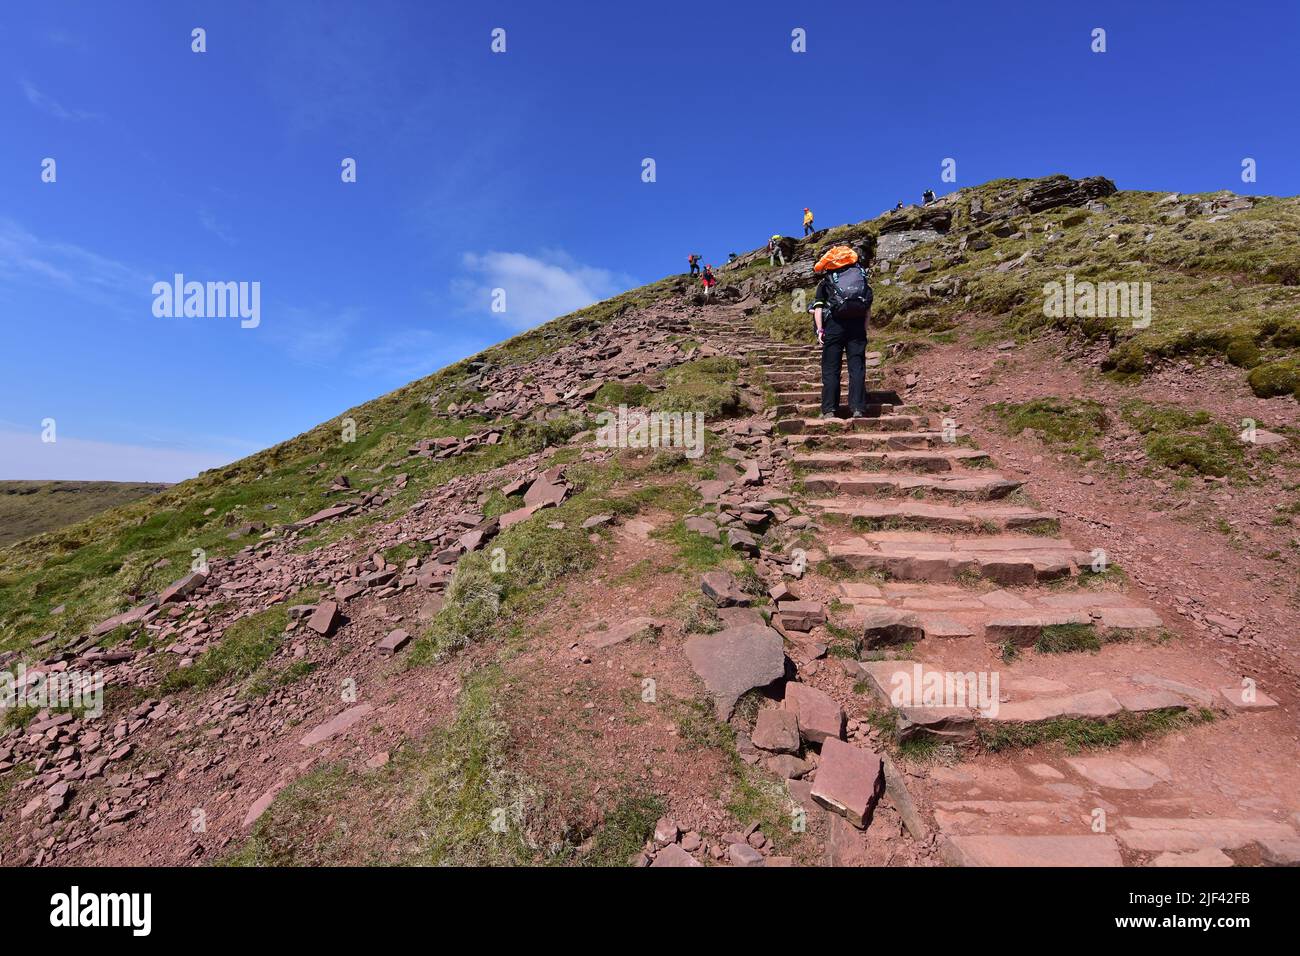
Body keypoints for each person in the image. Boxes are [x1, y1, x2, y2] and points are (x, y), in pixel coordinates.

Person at [812, 244, 872, 418]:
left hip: (834, 326)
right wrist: (863, 329)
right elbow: (867, 309)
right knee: (857, 367)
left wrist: (820, 330)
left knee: (831, 368)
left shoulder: (827, 281)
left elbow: (818, 309)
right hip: (857, 327)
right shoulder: (861, 278)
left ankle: (830, 409)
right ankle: (858, 408)